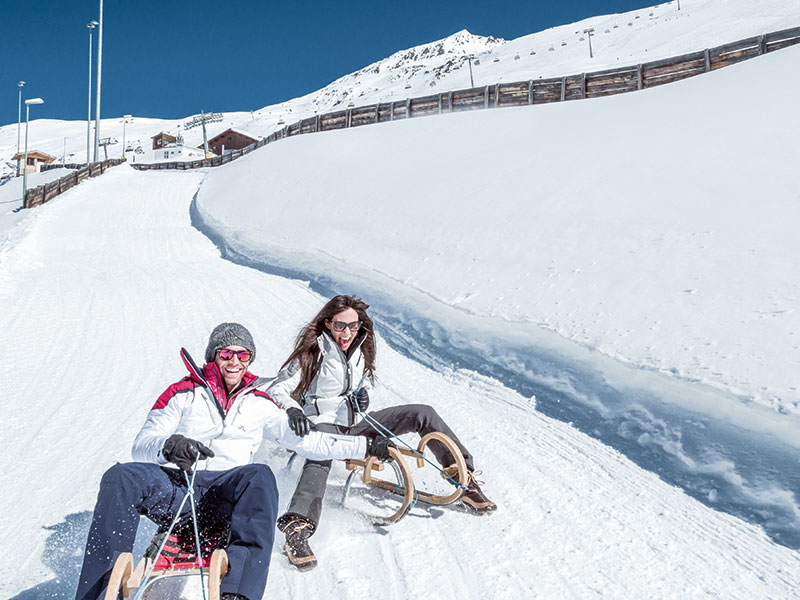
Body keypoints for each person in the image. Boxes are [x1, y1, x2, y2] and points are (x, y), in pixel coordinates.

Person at [75, 322, 393, 600]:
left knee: (260, 476)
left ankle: (238, 593)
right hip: (176, 487)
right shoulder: (182, 393)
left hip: (224, 493)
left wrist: (363, 446)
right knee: (120, 476)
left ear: (250, 359)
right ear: (214, 356)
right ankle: (99, 593)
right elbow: (142, 445)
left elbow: (310, 443)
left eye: (243, 355)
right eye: (227, 354)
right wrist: (170, 446)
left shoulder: (260, 403)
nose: (235, 362)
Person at [268, 295, 496, 571]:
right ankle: (297, 527)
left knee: (422, 413)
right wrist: (293, 411)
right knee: (322, 449)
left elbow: (358, 384)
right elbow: (277, 389)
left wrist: (362, 395)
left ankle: (464, 481)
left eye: (353, 326)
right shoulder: (313, 351)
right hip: (322, 424)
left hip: (357, 424)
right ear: (328, 323)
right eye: (340, 326)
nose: (347, 333)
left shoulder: (361, 348)